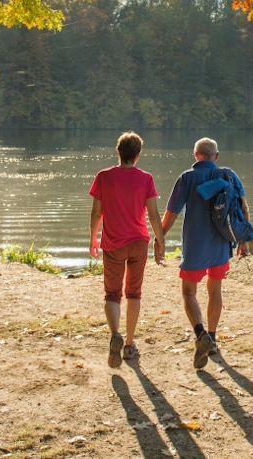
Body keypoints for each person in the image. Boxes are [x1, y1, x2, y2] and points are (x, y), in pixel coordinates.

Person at [160, 137, 250, 369]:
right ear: (216, 156)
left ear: (195, 155)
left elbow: (171, 214)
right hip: (221, 244)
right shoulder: (229, 175)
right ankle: (212, 336)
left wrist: (158, 238)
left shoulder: (187, 178)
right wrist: (244, 241)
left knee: (189, 292)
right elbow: (243, 207)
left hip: (194, 245)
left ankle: (201, 335)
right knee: (215, 291)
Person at [89, 132, 165, 368]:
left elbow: (96, 213)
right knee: (134, 293)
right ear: (138, 155)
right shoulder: (146, 179)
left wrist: (93, 238)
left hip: (113, 244)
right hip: (139, 243)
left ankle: (115, 335)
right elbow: (153, 215)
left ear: (118, 152)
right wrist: (160, 241)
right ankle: (130, 344)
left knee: (112, 294)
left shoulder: (103, 177)